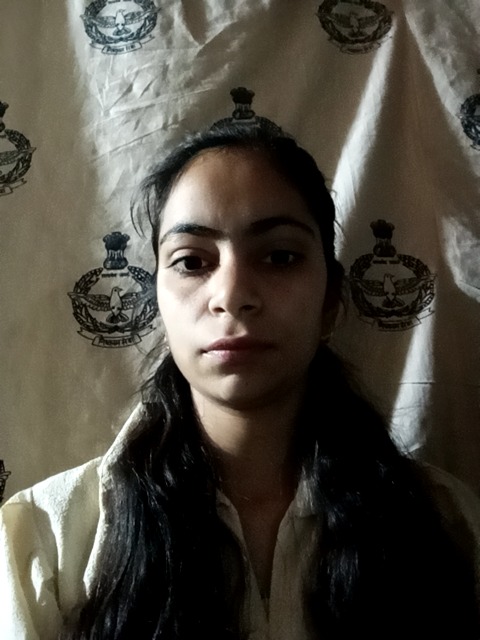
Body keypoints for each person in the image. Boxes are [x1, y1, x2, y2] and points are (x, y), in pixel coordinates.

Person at [1, 121, 480, 640]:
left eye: (279, 257)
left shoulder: (446, 522)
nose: (231, 296)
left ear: (330, 302)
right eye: (191, 261)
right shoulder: (45, 541)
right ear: (157, 302)